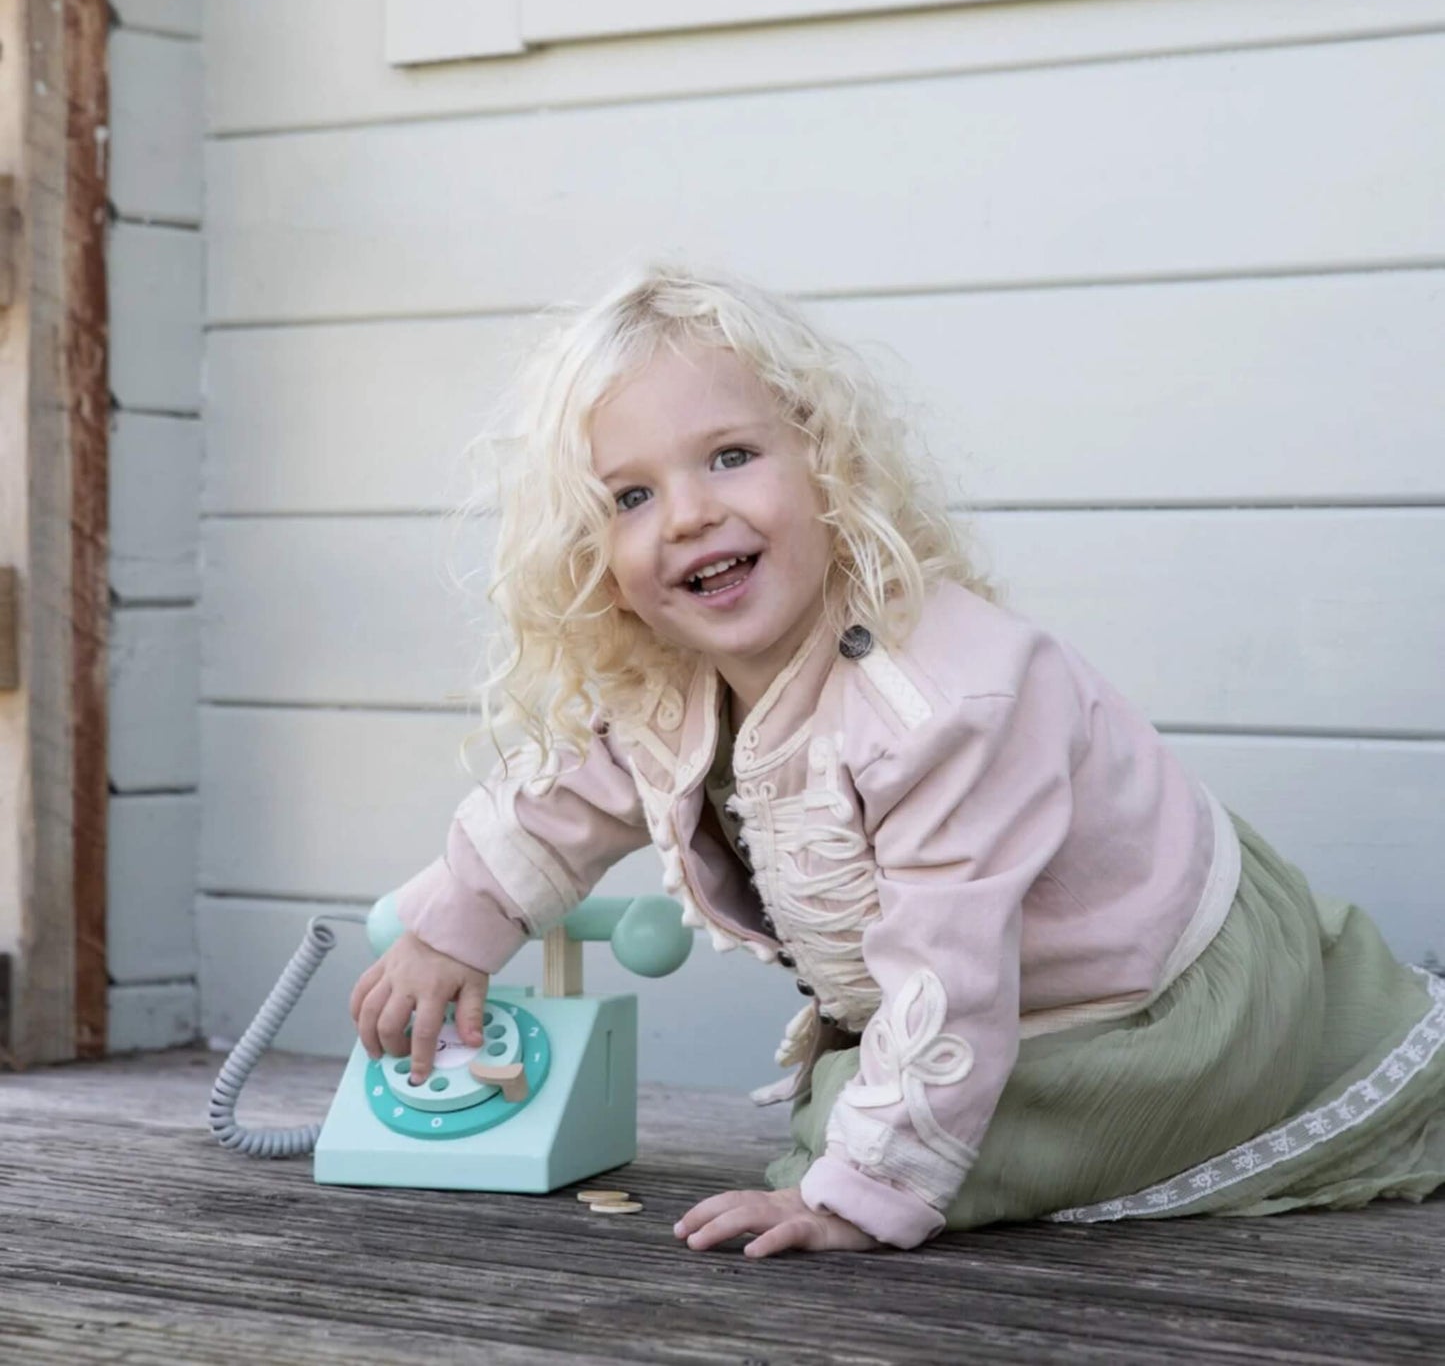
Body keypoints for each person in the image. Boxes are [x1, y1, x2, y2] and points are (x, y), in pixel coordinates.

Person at [349, 264, 1445, 1256]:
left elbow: (949, 976)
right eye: (629, 496)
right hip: (999, 980)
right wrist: (452, 928)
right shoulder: (669, 681)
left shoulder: (943, 704)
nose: (687, 514)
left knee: (866, 1147)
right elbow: (561, 800)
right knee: (863, 1113)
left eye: (729, 456)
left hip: (1145, 996)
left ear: (825, 463)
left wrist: (854, 1196)